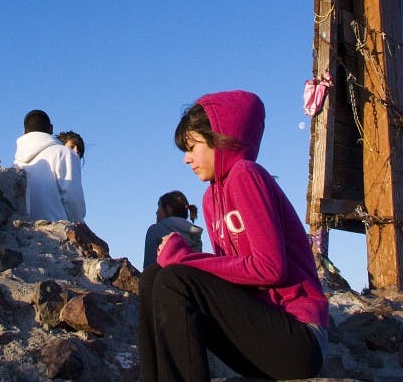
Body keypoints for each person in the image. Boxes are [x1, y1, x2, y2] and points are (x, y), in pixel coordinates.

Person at [138, 90, 328, 382]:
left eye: (192, 146)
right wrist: (183, 262)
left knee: (175, 279)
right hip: (255, 330)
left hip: (297, 336)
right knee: (154, 276)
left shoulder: (246, 175)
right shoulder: (210, 200)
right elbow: (228, 277)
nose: (187, 159)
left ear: (219, 138)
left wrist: (186, 259)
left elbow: (270, 268)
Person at [13, 110, 86, 222]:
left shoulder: (16, 164)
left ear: (24, 133)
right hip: (58, 232)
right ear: (51, 129)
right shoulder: (64, 153)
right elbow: (73, 199)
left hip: (26, 233)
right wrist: (79, 226)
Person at [143, 191, 202, 269]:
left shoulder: (155, 230)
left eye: (159, 207)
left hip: (164, 279)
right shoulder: (195, 235)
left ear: (168, 208)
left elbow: (149, 266)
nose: (156, 212)